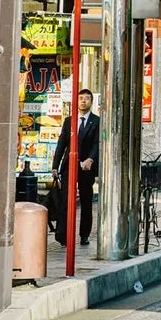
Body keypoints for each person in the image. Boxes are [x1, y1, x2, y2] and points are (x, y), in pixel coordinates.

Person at [51, 88, 100, 247]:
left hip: (86, 167)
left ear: (91, 102)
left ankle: (84, 234)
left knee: (86, 201)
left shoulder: (96, 121)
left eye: (87, 98)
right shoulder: (69, 121)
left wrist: (90, 159)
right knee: (65, 200)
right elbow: (61, 144)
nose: (83, 101)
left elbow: (97, 144)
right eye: (81, 98)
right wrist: (55, 166)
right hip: (68, 166)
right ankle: (63, 234)